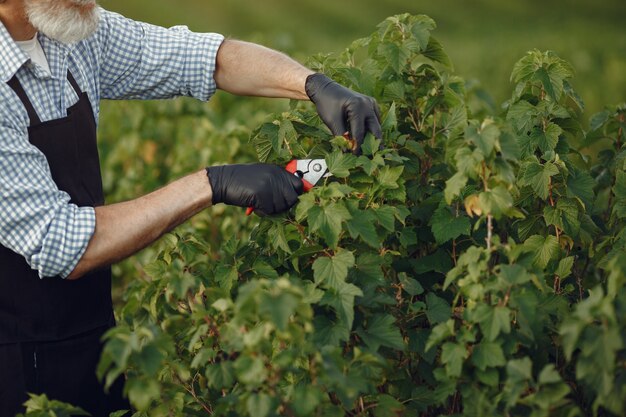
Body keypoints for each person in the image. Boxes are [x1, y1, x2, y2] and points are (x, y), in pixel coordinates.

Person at [0, 0, 382, 415]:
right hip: (17, 367)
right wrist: (211, 184)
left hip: (90, 336)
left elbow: (203, 58)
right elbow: (63, 242)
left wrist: (311, 83)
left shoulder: (72, 32)